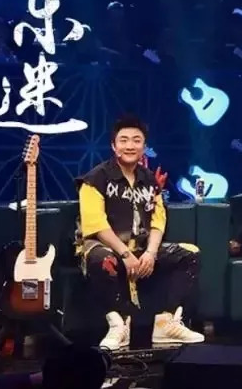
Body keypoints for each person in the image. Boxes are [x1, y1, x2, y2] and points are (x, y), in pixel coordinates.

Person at [77, 114, 205, 350]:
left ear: (144, 147)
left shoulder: (149, 179)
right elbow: (96, 225)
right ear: (114, 146)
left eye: (136, 140)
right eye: (123, 140)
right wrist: (125, 254)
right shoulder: (95, 179)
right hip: (106, 246)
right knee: (102, 259)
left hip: (141, 246)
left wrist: (151, 253)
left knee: (190, 254)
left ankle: (166, 324)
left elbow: (158, 220)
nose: (130, 145)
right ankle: (118, 325)